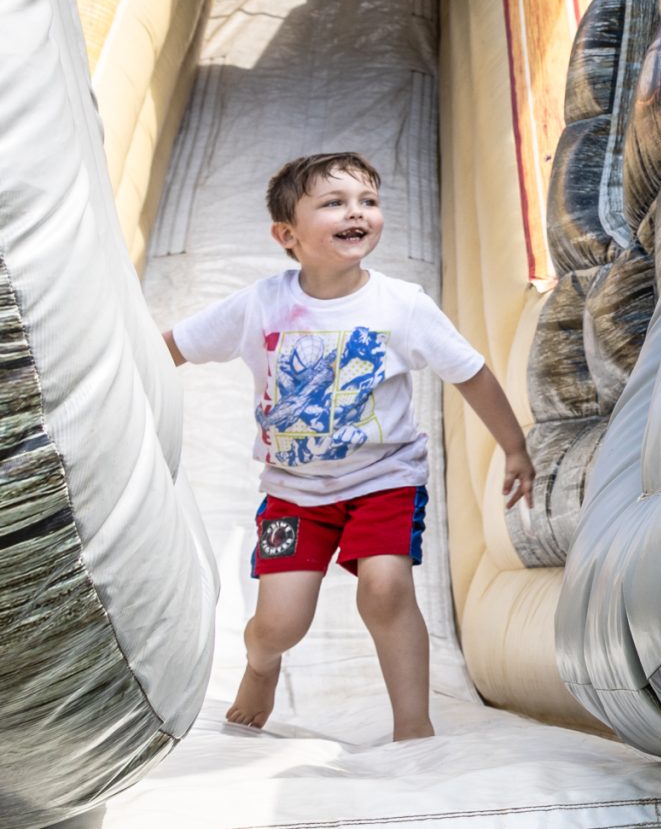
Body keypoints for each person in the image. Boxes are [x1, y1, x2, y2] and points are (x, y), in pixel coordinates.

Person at [162, 152, 536, 741]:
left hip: (384, 479)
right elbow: (172, 347)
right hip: (293, 491)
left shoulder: (401, 305)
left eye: (368, 201)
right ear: (287, 235)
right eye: (333, 203)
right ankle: (261, 666)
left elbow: (470, 372)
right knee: (279, 625)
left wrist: (514, 447)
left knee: (385, 590)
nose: (356, 213)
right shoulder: (261, 304)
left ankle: (413, 725)